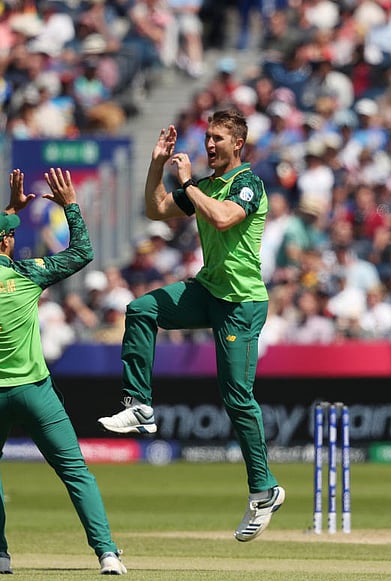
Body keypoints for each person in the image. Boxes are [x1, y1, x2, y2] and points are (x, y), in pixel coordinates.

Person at [97, 108, 285, 542]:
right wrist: (156, 166)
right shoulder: (202, 184)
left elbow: (223, 218)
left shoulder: (249, 184)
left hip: (241, 303)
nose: (210, 144)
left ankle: (265, 490)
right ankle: (139, 405)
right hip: (208, 290)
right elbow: (156, 209)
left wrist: (185, 183)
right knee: (141, 309)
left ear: (238, 143)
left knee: (236, 397)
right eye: (208, 136)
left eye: (219, 138)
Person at [0, 168, 126, 575]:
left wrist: (9, 209)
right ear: (7, 242)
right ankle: (107, 554)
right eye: (10, 231)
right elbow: (82, 252)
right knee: (75, 473)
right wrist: (70, 206)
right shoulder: (25, 275)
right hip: (34, 392)